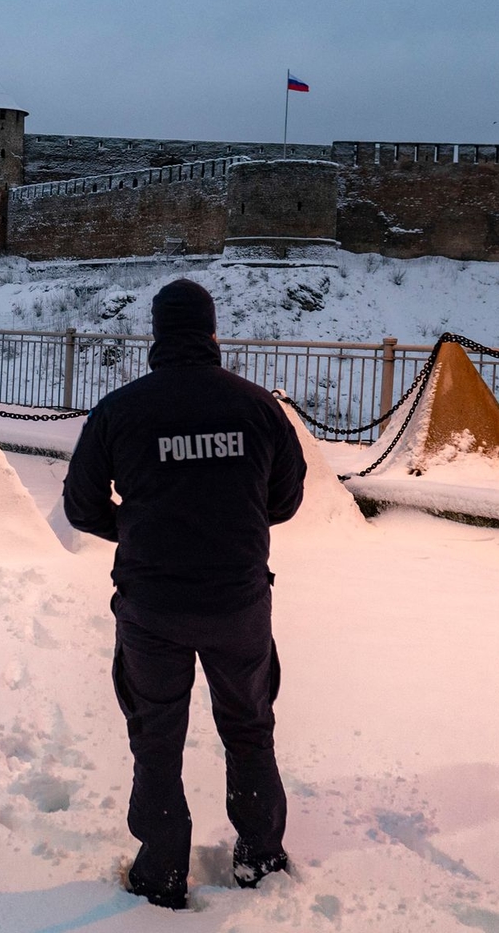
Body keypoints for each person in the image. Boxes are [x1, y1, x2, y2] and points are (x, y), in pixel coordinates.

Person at [63, 278, 306, 910]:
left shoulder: (121, 409)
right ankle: (260, 854)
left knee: (156, 734)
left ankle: (162, 871)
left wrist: (140, 529)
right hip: (239, 602)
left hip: (153, 607)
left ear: (157, 334)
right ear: (212, 332)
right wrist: (232, 523)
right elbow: (287, 498)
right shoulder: (257, 408)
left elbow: (81, 506)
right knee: (250, 726)